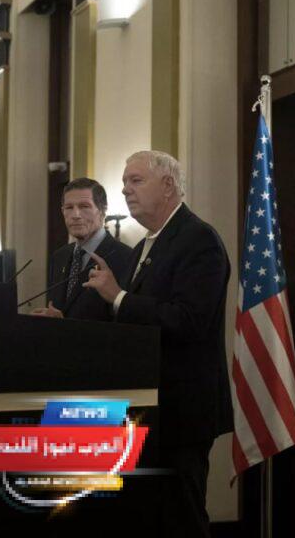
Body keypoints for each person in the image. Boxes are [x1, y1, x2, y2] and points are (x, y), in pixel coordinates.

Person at [83, 151, 233, 537]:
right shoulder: (144, 246)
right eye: (124, 182)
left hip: (180, 410)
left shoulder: (199, 240)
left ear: (168, 186)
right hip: (145, 408)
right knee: (149, 520)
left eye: (136, 181)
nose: (124, 190)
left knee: (181, 520)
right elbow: (131, 322)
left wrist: (118, 297)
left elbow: (189, 320)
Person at [31, 177, 131, 321]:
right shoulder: (59, 256)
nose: (75, 215)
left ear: (102, 210)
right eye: (69, 208)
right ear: (62, 211)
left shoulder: (126, 257)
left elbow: (124, 321)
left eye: (84, 206)